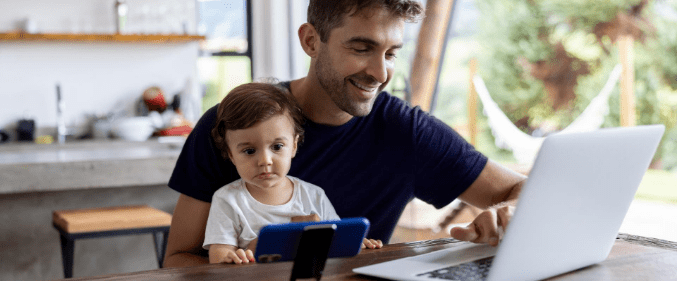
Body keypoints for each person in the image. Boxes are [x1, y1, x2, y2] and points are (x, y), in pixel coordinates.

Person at [164, 0, 527, 267]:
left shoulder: (407, 132)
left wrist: (507, 211)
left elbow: (522, 189)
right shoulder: (235, 125)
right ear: (310, 41)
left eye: (391, 53)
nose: (381, 73)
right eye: (361, 48)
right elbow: (178, 261)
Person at [204, 82, 382, 264]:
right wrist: (240, 254)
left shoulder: (313, 195)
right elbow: (218, 259)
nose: (265, 160)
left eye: (277, 147)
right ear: (231, 155)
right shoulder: (228, 200)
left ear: (294, 146)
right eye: (249, 151)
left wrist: (358, 244)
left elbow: (335, 242)